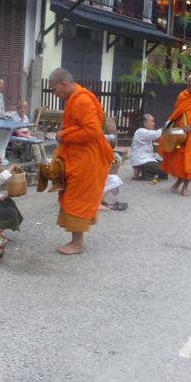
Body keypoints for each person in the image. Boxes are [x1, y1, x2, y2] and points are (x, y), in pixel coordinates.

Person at [48, 68, 114, 255]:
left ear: (64, 84)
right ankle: (76, 240)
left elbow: (92, 131)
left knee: (76, 199)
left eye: (54, 89)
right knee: (72, 197)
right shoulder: (74, 98)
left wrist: (64, 135)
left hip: (86, 159)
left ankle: (78, 243)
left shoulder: (82, 100)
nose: (55, 93)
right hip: (77, 156)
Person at [130, 114, 167, 181]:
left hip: (147, 159)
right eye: (152, 121)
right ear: (145, 123)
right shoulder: (141, 131)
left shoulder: (144, 132)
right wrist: (167, 125)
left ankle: (147, 173)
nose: (154, 123)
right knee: (163, 169)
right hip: (141, 160)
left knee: (165, 168)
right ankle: (146, 172)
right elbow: (156, 134)